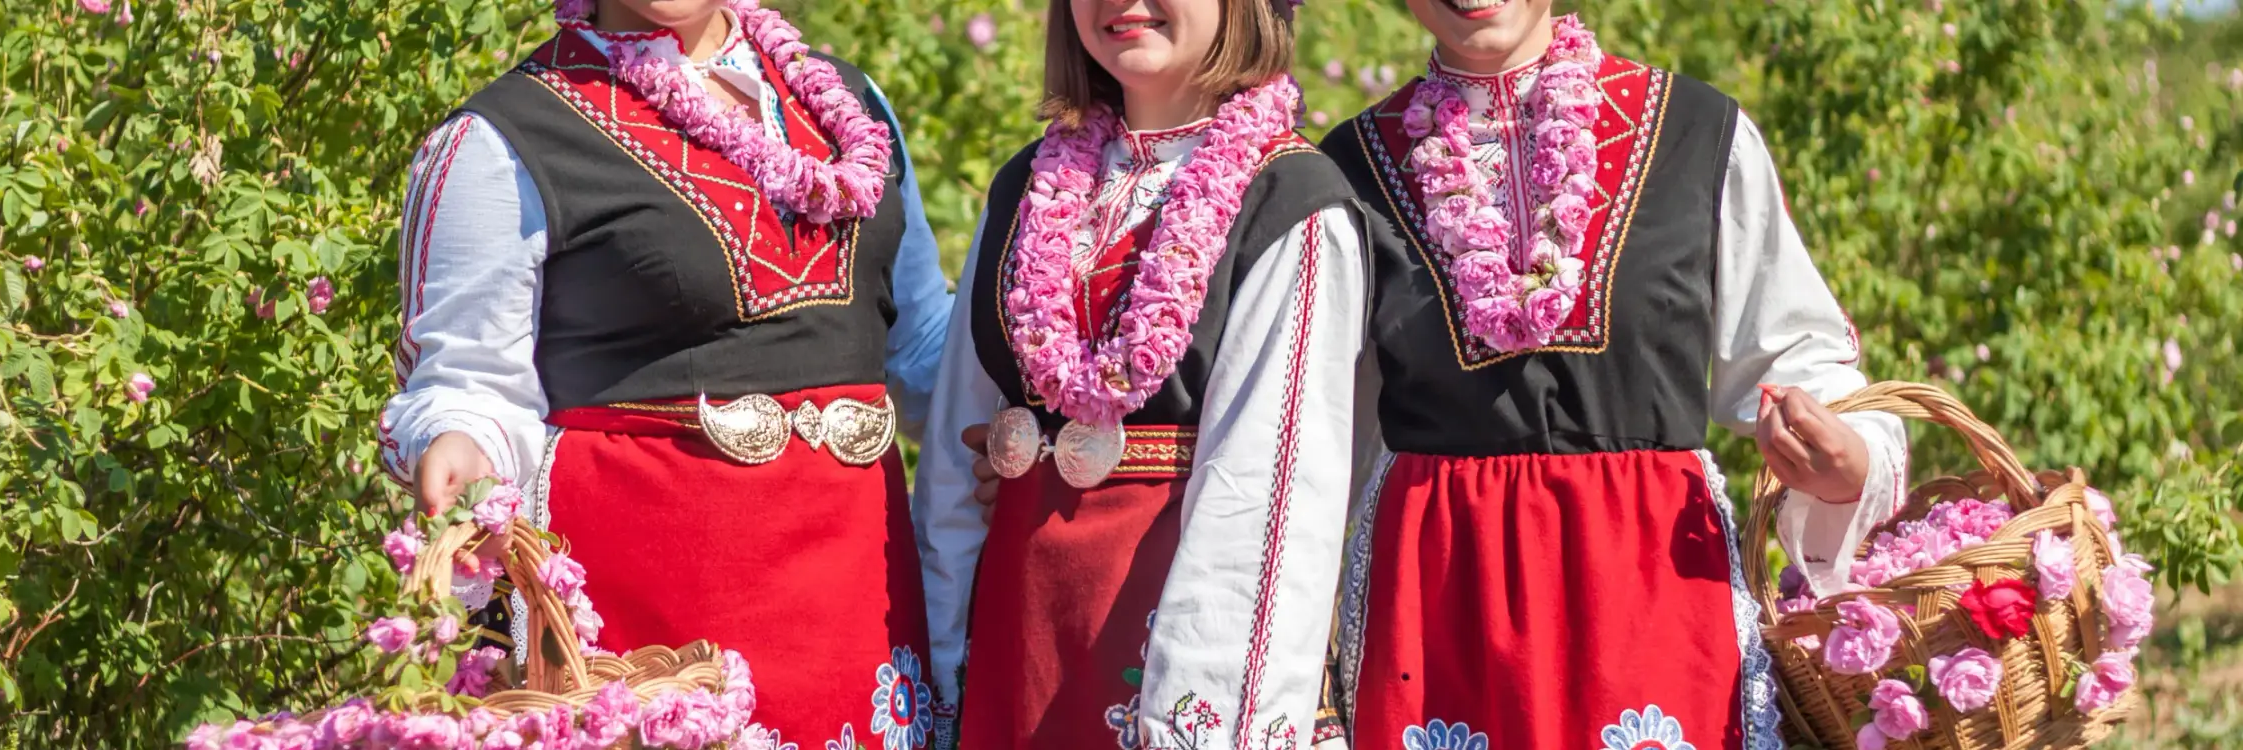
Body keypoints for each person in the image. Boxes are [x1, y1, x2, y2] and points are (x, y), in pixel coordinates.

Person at [1313, 2, 1911, 748]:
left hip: (1649, 598)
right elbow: (1313, 445)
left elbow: (1795, 358)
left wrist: (1846, 457)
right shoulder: (1348, 170)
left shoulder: (1695, 132)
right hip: (1439, 622)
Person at [377, 0, 949, 745]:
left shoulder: (851, 109)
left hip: (857, 619)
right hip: (647, 638)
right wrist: (460, 442)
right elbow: (466, 383)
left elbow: (925, 352)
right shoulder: (503, 139)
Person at [910, 0, 1371, 747]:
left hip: (1176, 648)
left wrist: (1198, 725)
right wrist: (937, 669)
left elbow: (1269, 504)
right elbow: (949, 470)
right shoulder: (1027, 183)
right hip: (1017, 642)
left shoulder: (1293, 203)